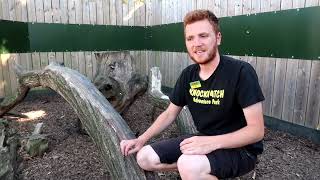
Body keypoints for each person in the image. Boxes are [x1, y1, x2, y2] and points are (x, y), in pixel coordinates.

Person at [120, 9, 265, 180]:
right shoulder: (189, 75)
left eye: (203, 36)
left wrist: (210, 143)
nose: (196, 43)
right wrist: (141, 139)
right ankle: (198, 171)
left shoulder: (241, 72)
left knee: (189, 165)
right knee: (145, 158)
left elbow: (256, 131)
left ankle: (194, 170)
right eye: (190, 38)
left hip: (242, 151)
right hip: (204, 139)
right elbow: (169, 114)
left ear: (218, 38)